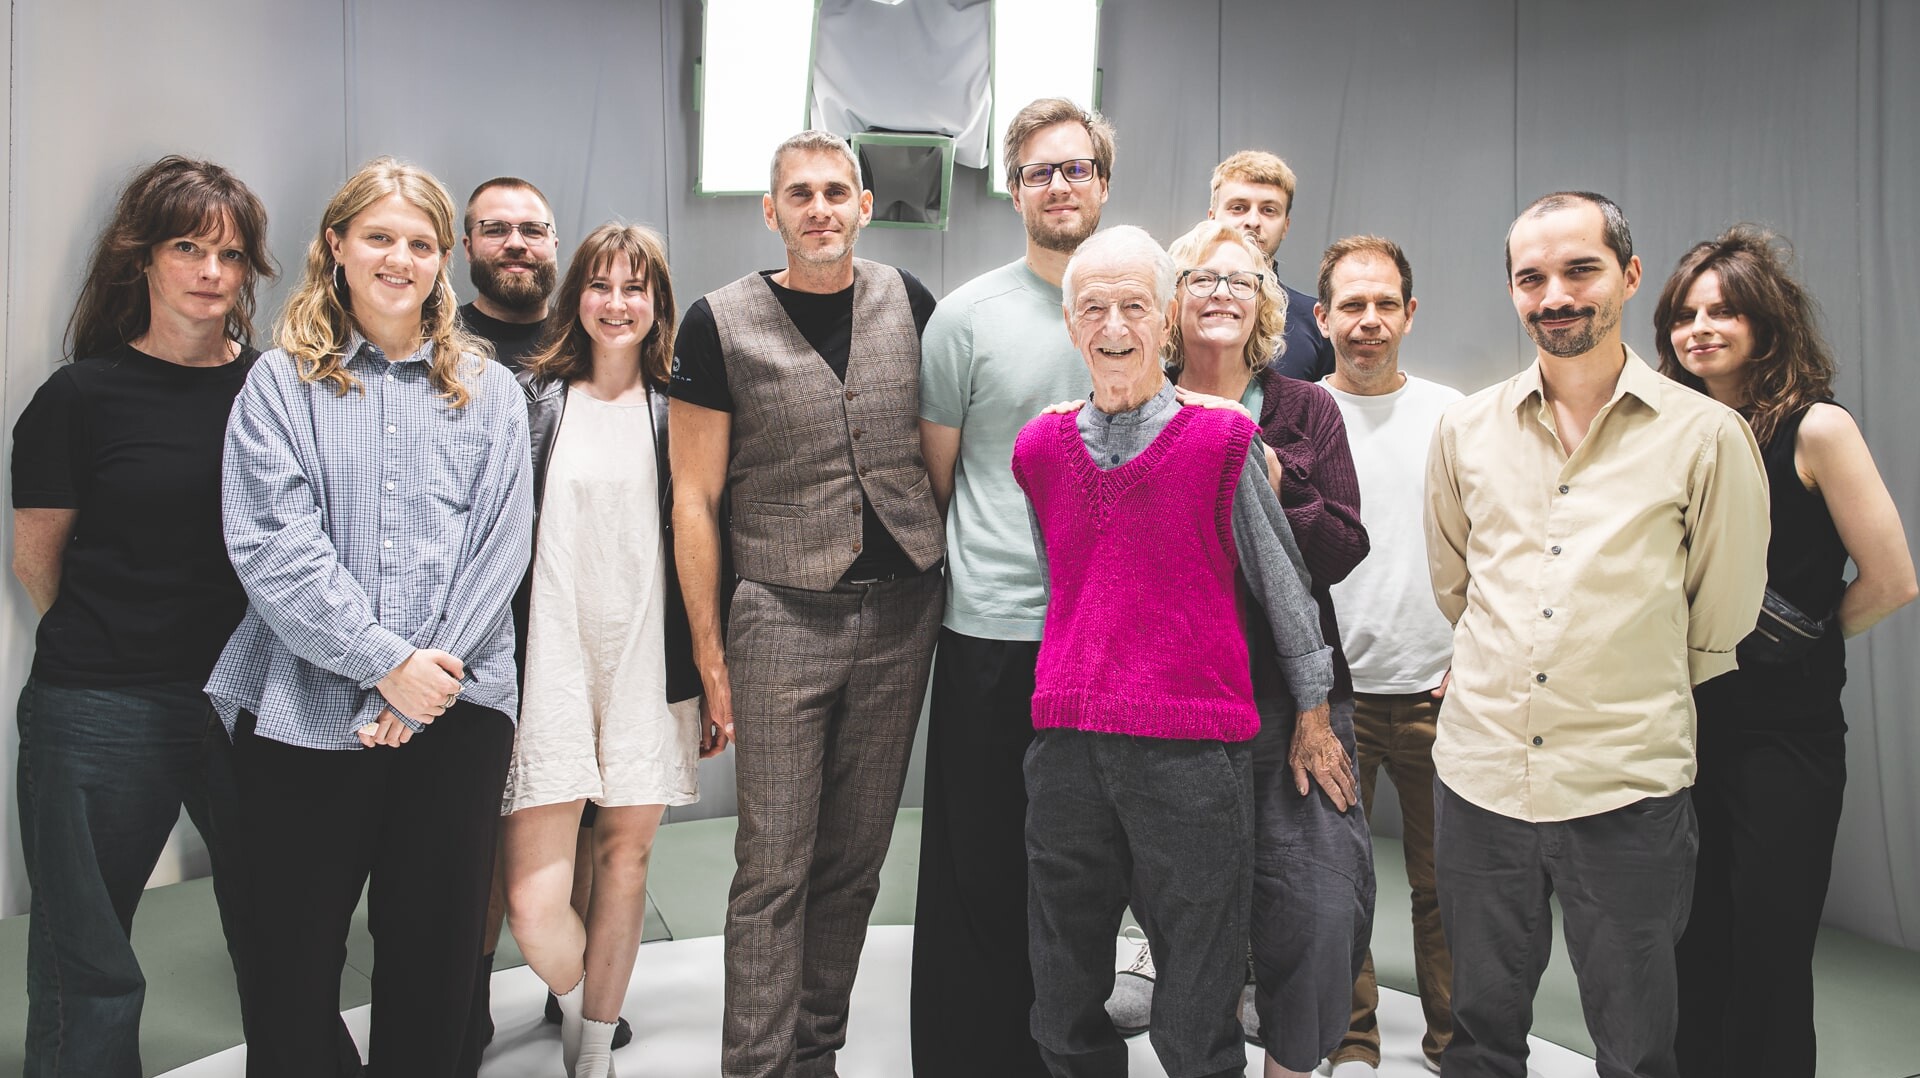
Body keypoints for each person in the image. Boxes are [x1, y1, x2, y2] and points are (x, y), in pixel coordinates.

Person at [1424, 192, 1770, 1078]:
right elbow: (1457, 584)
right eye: (1530, 278)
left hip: (1626, 789)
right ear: (1511, 291)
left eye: (1580, 270)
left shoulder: (1708, 436)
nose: (1555, 296)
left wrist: (1611, 680)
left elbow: (1721, 616)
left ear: (1629, 275)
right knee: (1481, 1034)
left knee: (1637, 1044)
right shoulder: (1465, 429)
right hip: (1482, 781)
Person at [205, 157, 533, 1078]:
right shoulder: (279, 384)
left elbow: (501, 549)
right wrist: (384, 663)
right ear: (337, 246)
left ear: (443, 263)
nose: (400, 258)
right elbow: (273, 545)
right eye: (379, 238)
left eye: (421, 244)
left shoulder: (491, 392)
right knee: (289, 966)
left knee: (435, 967)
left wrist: (424, 684)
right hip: (303, 712)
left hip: (458, 711)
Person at [1013, 224, 1334, 1078]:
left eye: (1132, 307)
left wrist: (1314, 712)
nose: (1112, 326)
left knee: (1197, 986)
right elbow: (1063, 587)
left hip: (1192, 752)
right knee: (1062, 982)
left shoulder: (1222, 442)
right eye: (1093, 308)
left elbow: (1283, 587)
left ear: (1165, 322)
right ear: (1071, 325)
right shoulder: (1038, 448)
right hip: (1069, 745)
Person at [8, 155, 300, 1078]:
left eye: (230, 253)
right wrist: (124, 649)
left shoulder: (278, 392)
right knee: (86, 961)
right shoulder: (77, 399)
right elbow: (38, 560)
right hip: (100, 706)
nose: (212, 272)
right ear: (142, 258)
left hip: (254, 703)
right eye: (188, 247)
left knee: (286, 937)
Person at [670, 130, 944, 1078]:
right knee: (773, 867)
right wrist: (711, 653)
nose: (819, 208)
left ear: (864, 205)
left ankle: (815, 1051)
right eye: (800, 193)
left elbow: (935, 449)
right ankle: (755, 1065)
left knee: (855, 857)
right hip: (781, 615)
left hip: (903, 610)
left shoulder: (909, 303)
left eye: (837, 191)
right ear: (771, 210)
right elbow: (695, 500)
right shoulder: (717, 322)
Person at [1653, 226, 1916, 1078]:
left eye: (1723, 311)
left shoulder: (1816, 427)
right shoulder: (1671, 431)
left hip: (1783, 736)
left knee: (1767, 949)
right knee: (1689, 945)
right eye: (1685, 314)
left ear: (1766, 323)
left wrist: (1800, 640)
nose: (1700, 328)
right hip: (1682, 725)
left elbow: (1891, 578)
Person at [912, 96, 1112, 1077]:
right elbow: (942, 476)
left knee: (1081, 872)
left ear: (1102, 183)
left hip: (1112, 640)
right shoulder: (965, 319)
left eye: (1075, 168)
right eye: (1040, 170)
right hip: (995, 630)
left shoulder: (1140, 306)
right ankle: (971, 1054)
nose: (1059, 185)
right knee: (981, 861)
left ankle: (1066, 1051)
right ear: (1016, 188)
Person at [1161, 220, 1372, 1078]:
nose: (1220, 292)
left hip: (1300, 699)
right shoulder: (1144, 403)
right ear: (1172, 300)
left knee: (1319, 910)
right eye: (1200, 277)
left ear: (1266, 305)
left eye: (1241, 280)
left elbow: (1345, 549)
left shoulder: (1305, 408)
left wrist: (1280, 493)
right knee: (1195, 920)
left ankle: (1293, 1064)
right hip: (1182, 699)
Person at [497, 222, 707, 1078]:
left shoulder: (683, 408)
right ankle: (588, 992)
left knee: (625, 858)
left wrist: (711, 671)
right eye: (600, 285)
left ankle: (593, 1050)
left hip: (647, 669)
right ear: (574, 295)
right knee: (533, 903)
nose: (616, 304)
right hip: (547, 664)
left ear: (658, 303)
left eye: (635, 287)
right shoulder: (530, 399)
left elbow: (709, 538)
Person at [1313, 236, 1460, 1077]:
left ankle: (1455, 1043)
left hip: (1442, 693)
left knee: (1450, 890)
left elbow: (1502, 545)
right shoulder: (1294, 415)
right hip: (1332, 701)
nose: (1369, 322)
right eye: (1351, 305)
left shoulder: (1454, 415)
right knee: (1338, 888)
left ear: (1409, 312)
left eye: (1385, 304)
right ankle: (1350, 1037)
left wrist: (1471, 656)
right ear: (1322, 315)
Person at [1206, 150, 1335, 382]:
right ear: (1212, 217)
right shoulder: (1176, 309)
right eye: (1238, 207)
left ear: (1285, 225)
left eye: (1268, 210)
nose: (1253, 222)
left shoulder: (1317, 323)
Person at [459, 176, 560, 370]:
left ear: (554, 247)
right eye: (495, 230)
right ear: (469, 248)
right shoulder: (432, 341)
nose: (515, 244)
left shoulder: (587, 343)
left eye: (532, 230)